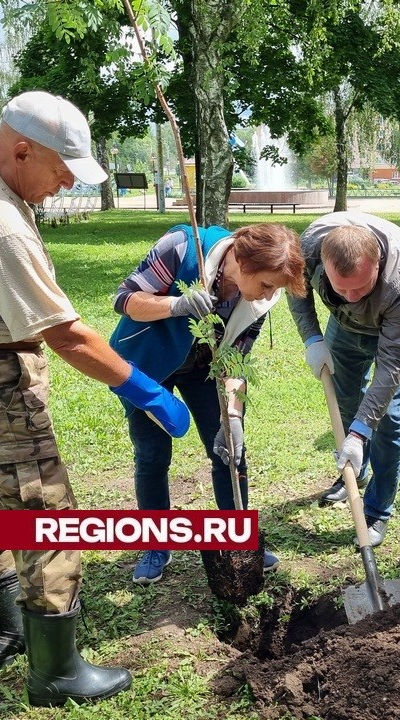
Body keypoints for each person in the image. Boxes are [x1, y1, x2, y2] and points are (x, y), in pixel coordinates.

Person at [0, 91, 191, 707]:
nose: (65, 185)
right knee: (48, 510)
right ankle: (57, 671)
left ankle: (5, 632)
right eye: (61, 171)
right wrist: (143, 388)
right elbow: (66, 334)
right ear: (21, 150)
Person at [110, 222, 306, 584]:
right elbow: (123, 300)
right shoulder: (182, 248)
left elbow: (235, 361)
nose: (266, 295)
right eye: (265, 284)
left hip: (202, 368)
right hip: (148, 366)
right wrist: (175, 304)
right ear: (242, 261)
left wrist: (232, 416)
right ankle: (155, 543)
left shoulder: (260, 300)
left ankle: (238, 540)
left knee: (230, 450)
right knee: (152, 455)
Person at [287, 212, 400, 547]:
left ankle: (377, 511)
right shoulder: (309, 248)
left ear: (378, 263)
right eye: (342, 287)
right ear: (323, 263)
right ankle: (356, 470)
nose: (352, 296)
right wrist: (312, 338)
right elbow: (297, 289)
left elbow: (393, 365)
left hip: (394, 328)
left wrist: (361, 429)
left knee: (389, 417)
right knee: (347, 398)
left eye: (362, 286)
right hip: (344, 327)